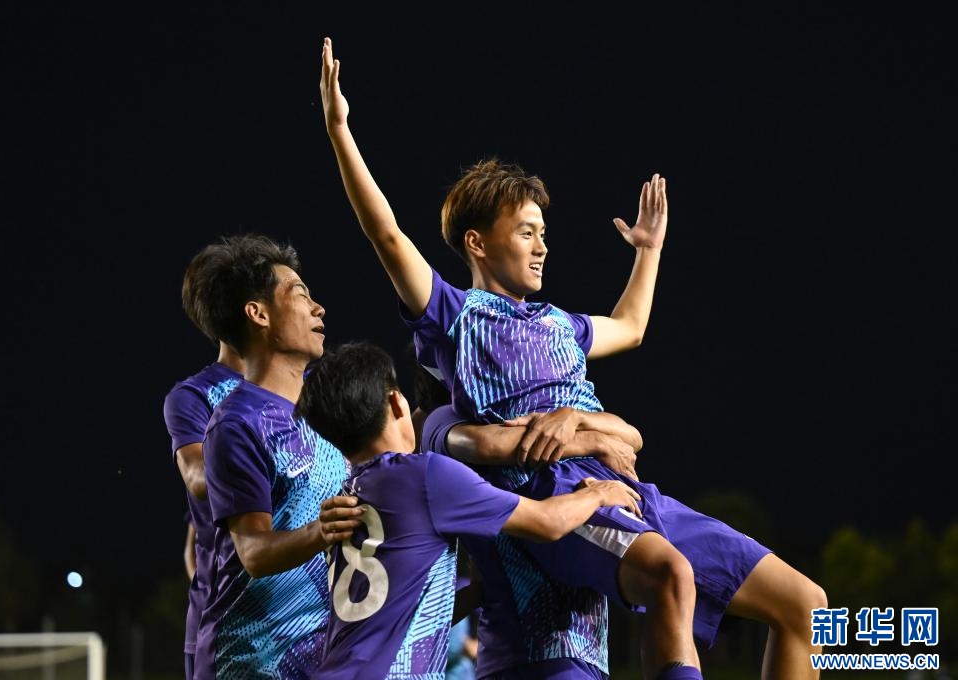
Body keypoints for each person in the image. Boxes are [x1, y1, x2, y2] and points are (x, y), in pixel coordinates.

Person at [320, 37, 827, 680]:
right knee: (670, 575)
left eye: (544, 233)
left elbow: (632, 327)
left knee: (807, 605)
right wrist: (341, 133)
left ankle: (858, 635)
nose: (541, 247)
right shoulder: (456, 316)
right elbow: (387, 234)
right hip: (559, 493)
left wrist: (648, 251)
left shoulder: (560, 323)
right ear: (477, 243)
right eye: (526, 232)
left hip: (630, 490)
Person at [293, 341, 644, 679]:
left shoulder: (348, 494)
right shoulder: (424, 475)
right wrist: (596, 494)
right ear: (396, 401)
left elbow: (402, 616)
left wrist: (480, 589)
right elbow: (546, 522)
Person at [188, 233, 360, 679]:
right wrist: (322, 530)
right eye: (300, 294)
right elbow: (254, 552)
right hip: (250, 662)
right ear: (258, 313)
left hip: (323, 655)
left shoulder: (327, 411)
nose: (319, 308)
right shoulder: (236, 423)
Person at [162, 248, 247, 679]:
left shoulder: (311, 390)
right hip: (230, 629)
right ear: (254, 310)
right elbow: (197, 478)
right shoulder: (195, 396)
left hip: (311, 622)